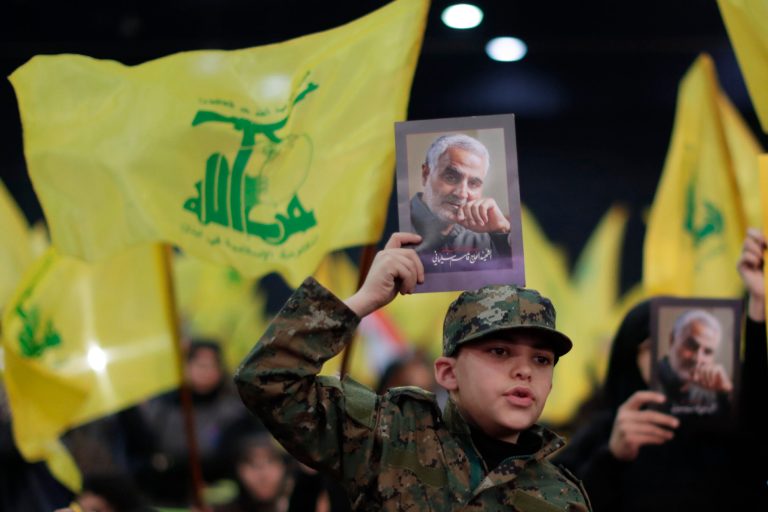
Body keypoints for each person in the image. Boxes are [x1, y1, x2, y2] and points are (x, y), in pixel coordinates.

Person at [235, 232, 590, 511]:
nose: (524, 370)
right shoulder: (387, 436)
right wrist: (362, 301)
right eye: (499, 352)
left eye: (541, 360)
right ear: (447, 374)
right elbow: (265, 379)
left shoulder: (561, 498)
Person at [552, 228, 768, 511]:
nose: (667, 355)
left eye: (683, 344)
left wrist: (758, 303)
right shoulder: (604, 432)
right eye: (653, 345)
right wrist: (612, 456)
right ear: (629, 355)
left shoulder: (726, 425)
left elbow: (757, 413)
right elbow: (553, 503)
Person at [410, 134, 512, 271]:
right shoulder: (396, 225)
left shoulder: (489, 237)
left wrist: (503, 232)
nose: (462, 193)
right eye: (451, 177)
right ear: (426, 174)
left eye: (473, 183)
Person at [655, 309, 732, 417]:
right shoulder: (650, 378)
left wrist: (727, 392)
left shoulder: (716, 391)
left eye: (708, 352)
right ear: (672, 340)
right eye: (691, 345)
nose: (698, 359)